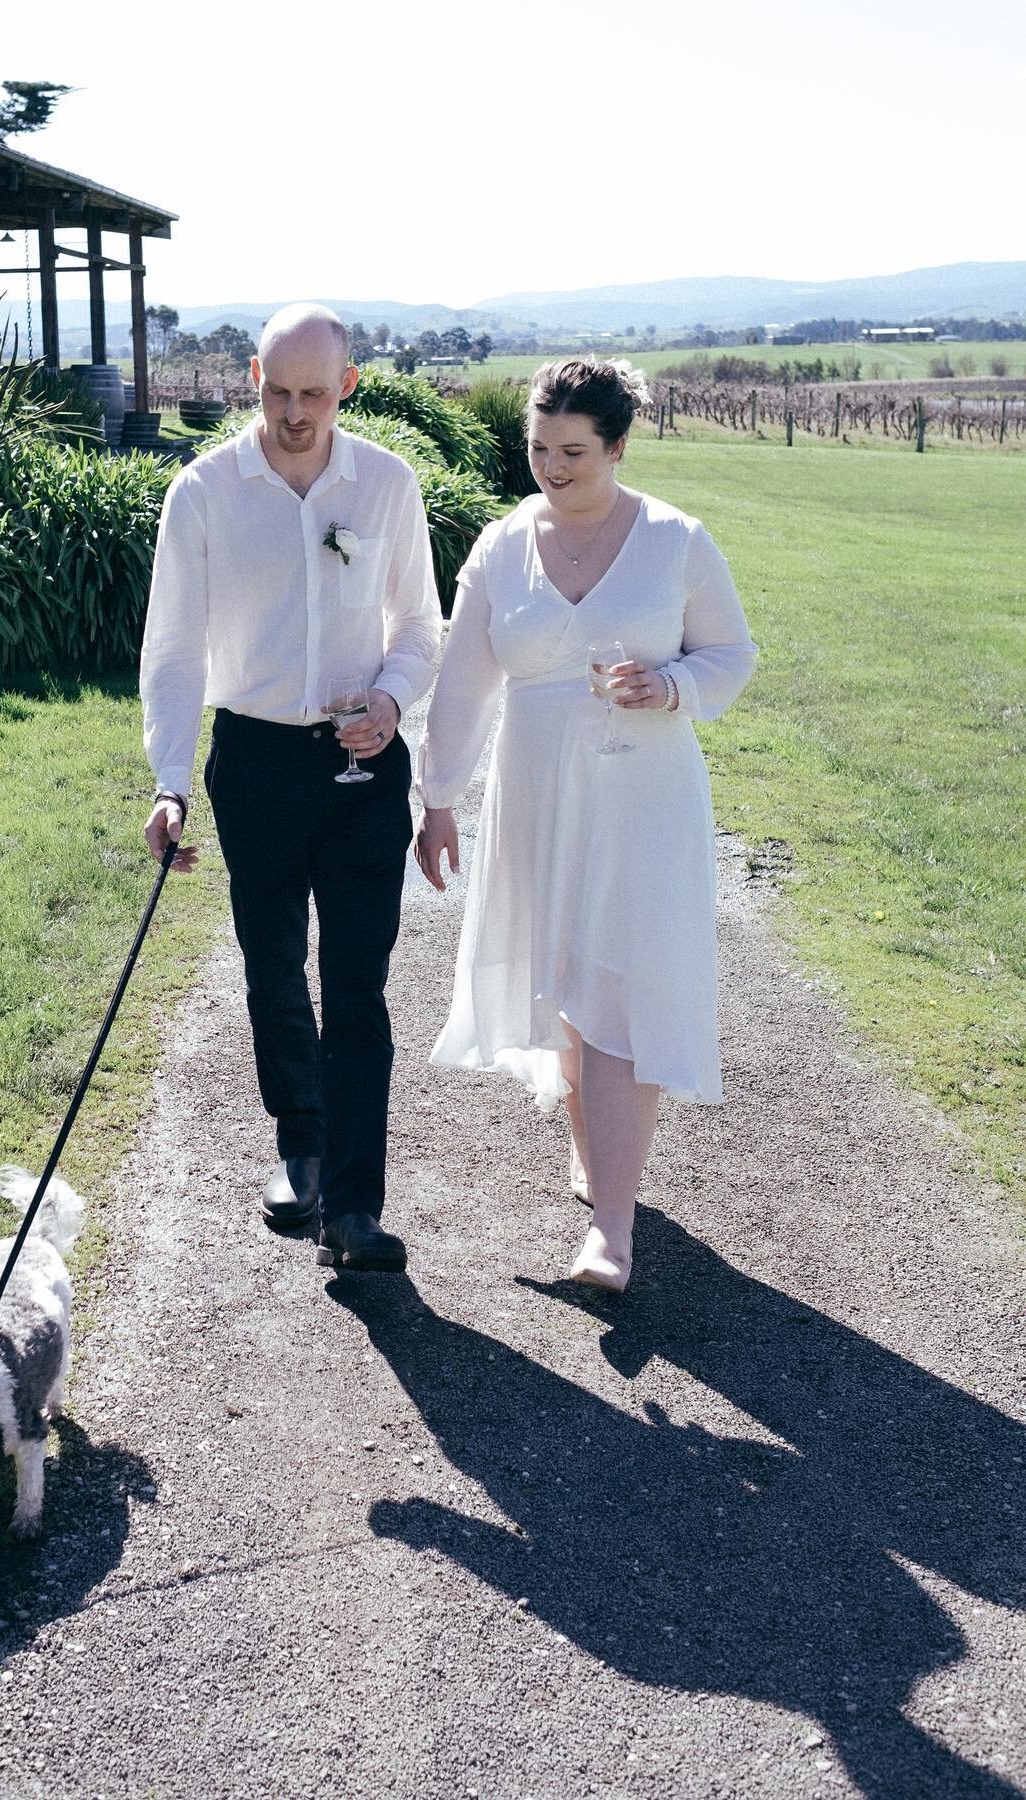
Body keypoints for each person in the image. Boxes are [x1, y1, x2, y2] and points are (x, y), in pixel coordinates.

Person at [414, 358, 757, 1293]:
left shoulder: (676, 540)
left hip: (645, 800)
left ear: (616, 446)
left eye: (573, 451)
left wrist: (674, 684)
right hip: (534, 793)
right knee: (563, 985)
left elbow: (733, 652)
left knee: (620, 989)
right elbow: (463, 681)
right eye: (538, 448)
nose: (552, 468)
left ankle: (613, 1230)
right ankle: (599, 1160)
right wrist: (438, 797)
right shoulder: (498, 544)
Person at [140, 303, 441, 1272]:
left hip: (361, 765)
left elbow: (419, 629)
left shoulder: (388, 486)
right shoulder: (203, 494)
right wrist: (170, 782)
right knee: (272, 963)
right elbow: (175, 649)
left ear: (346, 386)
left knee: (358, 982)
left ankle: (355, 1207)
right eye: (279, 391)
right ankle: (300, 1146)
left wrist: (392, 704)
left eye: (315, 392)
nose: (296, 412)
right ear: (252, 379)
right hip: (257, 760)